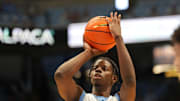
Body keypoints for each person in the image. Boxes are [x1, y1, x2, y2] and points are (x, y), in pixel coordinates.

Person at [54, 12, 136, 101]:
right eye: (94, 68)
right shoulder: (80, 97)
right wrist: (88, 53)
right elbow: (61, 75)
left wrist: (118, 38)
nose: (98, 70)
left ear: (114, 78)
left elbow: (130, 82)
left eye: (104, 68)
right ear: (90, 75)